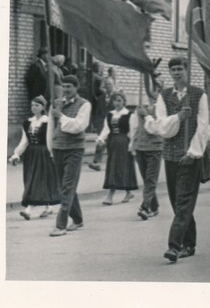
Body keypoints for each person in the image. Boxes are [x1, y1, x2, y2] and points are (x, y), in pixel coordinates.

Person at [143, 57, 210, 263]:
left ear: (187, 70)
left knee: (183, 202)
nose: (176, 73)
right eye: (173, 70)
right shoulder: (164, 96)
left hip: (191, 157)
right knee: (177, 202)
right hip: (171, 156)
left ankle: (175, 245)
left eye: (180, 69)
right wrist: (178, 118)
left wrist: (193, 152)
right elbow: (163, 128)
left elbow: (203, 126)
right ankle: (190, 243)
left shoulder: (199, 95)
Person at [46, 75, 90, 237]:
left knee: (67, 186)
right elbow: (51, 127)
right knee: (63, 187)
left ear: (76, 88)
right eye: (63, 86)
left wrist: (61, 116)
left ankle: (60, 224)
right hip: (58, 148)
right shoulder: (56, 103)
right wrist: (50, 148)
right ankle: (78, 219)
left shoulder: (84, 104)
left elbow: (79, 126)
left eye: (69, 86)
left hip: (74, 149)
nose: (66, 89)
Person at [9, 95, 59, 220]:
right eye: (32, 105)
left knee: (37, 180)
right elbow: (24, 140)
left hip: (43, 154)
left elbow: (51, 140)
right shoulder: (27, 123)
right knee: (32, 179)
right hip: (31, 154)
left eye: (37, 105)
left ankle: (29, 209)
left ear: (43, 107)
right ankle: (48, 207)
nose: (34, 107)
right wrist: (16, 154)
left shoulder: (48, 122)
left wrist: (52, 154)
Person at [98, 90, 138, 205]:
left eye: (119, 101)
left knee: (123, 166)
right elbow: (106, 129)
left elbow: (132, 131)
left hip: (124, 142)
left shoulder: (129, 115)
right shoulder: (110, 114)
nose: (117, 103)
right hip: (113, 142)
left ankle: (110, 195)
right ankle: (128, 192)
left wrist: (132, 145)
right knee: (113, 166)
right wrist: (101, 139)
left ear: (124, 102)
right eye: (115, 100)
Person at [132, 96, 163, 220]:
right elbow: (134, 126)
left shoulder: (162, 108)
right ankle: (154, 206)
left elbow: (156, 129)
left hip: (154, 148)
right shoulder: (141, 107)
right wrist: (133, 143)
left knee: (150, 179)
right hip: (140, 147)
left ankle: (145, 207)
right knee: (146, 179)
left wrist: (146, 116)